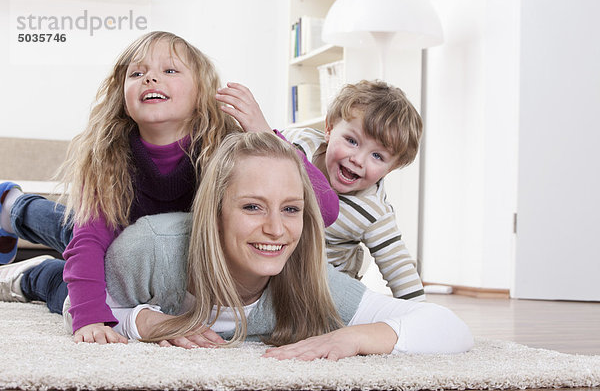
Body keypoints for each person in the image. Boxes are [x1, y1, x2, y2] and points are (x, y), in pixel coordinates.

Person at [0, 32, 338, 345]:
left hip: (161, 264)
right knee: (77, 252)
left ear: (202, 93)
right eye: (137, 73)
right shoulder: (109, 155)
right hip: (119, 250)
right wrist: (88, 318)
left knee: (76, 249)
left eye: (170, 70)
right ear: (123, 94)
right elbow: (87, 242)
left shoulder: (227, 150)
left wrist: (266, 134)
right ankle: (14, 215)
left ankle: (30, 256)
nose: (150, 78)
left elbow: (323, 211)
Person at [79, 131, 472, 358]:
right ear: (214, 212)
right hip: (111, 251)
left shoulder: (309, 278)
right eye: (252, 207)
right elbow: (80, 306)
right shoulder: (152, 248)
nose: (276, 230)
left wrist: (353, 337)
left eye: (290, 209)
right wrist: (144, 321)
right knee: (48, 280)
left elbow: (448, 327)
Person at [216, 80, 425, 301]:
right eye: (352, 141)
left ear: (390, 168)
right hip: (272, 267)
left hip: (322, 290)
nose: (358, 159)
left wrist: (420, 312)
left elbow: (400, 269)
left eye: (377, 156)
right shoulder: (300, 142)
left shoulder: (374, 213)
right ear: (329, 129)